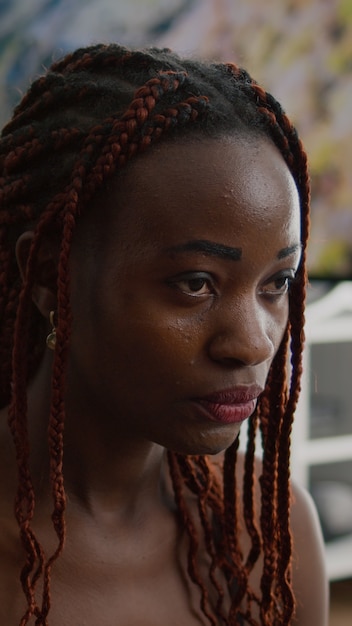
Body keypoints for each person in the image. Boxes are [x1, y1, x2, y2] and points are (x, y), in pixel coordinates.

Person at [0, 43, 328, 626]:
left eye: (277, 282)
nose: (253, 345)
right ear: (53, 274)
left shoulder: (270, 532)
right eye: (195, 283)